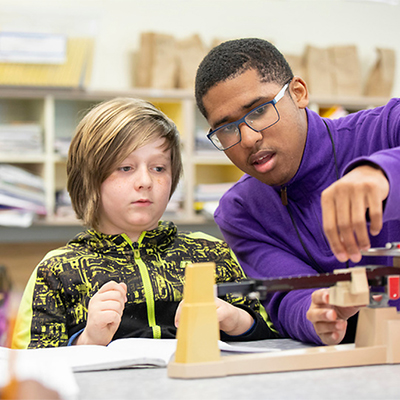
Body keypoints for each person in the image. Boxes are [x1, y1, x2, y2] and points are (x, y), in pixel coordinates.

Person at [12, 97, 279, 349]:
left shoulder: (211, 254)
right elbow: (30, 372)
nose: (146, 181)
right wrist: (88, 340)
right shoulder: (56, 270)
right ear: (89, 179)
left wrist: (237, 320)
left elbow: (274, 338)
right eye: (125, 168)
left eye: (158, 168)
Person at [194, 38, 400, 345]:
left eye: (259, 110)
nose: (248, 138)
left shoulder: (383, 128)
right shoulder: (241, 211)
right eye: (226, 129)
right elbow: (287, 294)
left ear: (298, 93)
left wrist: (383, 171)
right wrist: (314, 314)